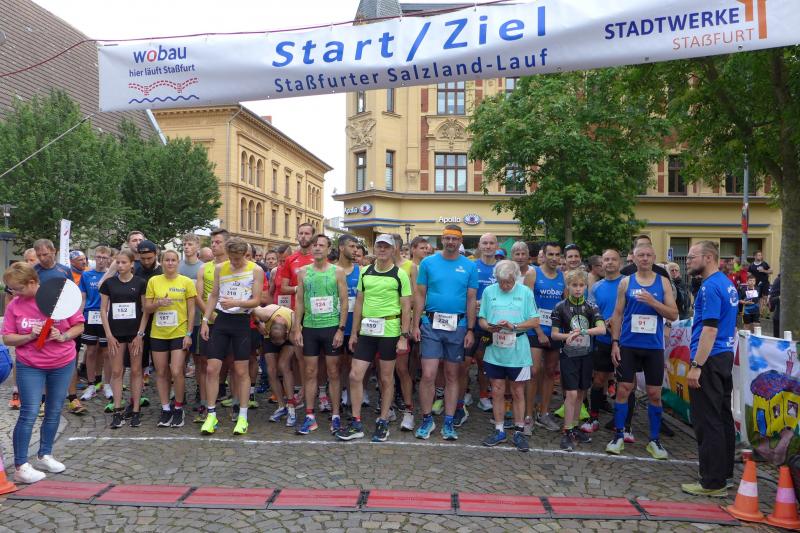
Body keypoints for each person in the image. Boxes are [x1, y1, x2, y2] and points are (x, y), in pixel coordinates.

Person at [2, 263, 84, 483]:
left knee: (54, 410)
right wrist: (29, 336)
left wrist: (63, 336)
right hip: (30, 365)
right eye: (11, 289)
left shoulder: (58, 298)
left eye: (17, 288)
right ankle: (21, 466)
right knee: (29, 412)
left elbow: (79, 326)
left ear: (32, 283)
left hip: (62, 362)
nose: (14, 293)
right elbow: (7, 338)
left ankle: (45, 454)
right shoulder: (15, 306)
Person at [606, 243, 678, 459]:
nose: (645, 258)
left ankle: (654, 440)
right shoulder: (626, 282)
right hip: (628, 344)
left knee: (655, 394)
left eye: (648, 255)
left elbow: (673, 314)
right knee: (623, 389)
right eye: (641, 255)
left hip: (653, 346)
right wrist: (615, 342)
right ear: (634, 259)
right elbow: (617, 314)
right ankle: (619, 435)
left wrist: (653, 302)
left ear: (654, 258)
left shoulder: (663, 282)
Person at [338, 234, 411, 442]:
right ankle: (356, 422)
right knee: (355, 375)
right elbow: (359, 303)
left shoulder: (400, 274)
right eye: (379, 246)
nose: (382, 250)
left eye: (386, 247)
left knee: (386, 378)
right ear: (375, 249)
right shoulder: (365, 271)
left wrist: (403, 336)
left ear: (393, 250)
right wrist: (354, 333)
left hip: (389, 330)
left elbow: (406, 307)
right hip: (367, 331)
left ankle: (383, 421)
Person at [681, 241, 738, 497]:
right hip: (724, 355)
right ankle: (724, 474)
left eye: (692, 257)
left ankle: (712, 482)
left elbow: (710, 329)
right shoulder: (726, 283)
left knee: (708, 420)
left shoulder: (710, 286)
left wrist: (697, 365)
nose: (688, 261)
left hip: (710, 358)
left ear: (708, 257)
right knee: (723, 417)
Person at [412, 225, 477, 441]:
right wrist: (415, 324)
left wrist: (470, 329)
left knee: (451, 374)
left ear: (461, 241)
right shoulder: (428, 263)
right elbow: (420, 295)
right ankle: (427, 419)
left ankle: (449, 421)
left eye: (454, 239)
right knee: (428, 374)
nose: (450, 242)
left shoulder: (469, 266)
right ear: (442, 240)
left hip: (458, 326)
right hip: (431, 324)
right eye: (447, 238)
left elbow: (471, 299)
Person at [200, 238, 263, 436]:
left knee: (241, 370)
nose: (234, 262)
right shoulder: (220, 268)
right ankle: (211, 415)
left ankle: (242, 416)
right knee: (212, 368)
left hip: (241, 322)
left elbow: (256, 300)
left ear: (245, 254)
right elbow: (213, 295)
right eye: (232, 258)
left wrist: (236, 302)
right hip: (222, 321)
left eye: (238, 259)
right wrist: (205, 320)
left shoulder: (255, 270)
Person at [478, 260, 539, 452]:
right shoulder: (489, 291)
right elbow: (482, 318)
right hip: (495, 348)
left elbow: (535, 321)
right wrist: (488, 326)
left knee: (518, 391)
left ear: (515, 278)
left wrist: (515, 326)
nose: (504, 286)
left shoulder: (525, 292)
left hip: (518, 349)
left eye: (508, 282)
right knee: (497, 390)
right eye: (501, 282)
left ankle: (519, 431)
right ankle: (499, 429)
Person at [291, 234, 348, 435]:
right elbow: (299, 301)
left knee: (333, 372)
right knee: (309, 371)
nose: (317, 248)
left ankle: (335, 415)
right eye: (314, 245)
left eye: (321, 245)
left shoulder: (337, 271)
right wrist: (297, 328)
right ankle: (309, 416)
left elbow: (344, 301)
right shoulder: (303, 272)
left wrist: (341, 329)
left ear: (328, 249)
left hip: (331, 327)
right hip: (310, 327)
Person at [551, 269, 606, 451]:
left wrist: (582, 332)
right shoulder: (560, 307)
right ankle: (567, 431)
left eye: (581, 285)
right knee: (572, 393)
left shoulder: (591, 306)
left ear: (586, 287)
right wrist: (568, 336)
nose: (578, 289)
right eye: (574, 285)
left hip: (586, 355)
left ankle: (574, 427)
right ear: (568, 286)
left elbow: (602, 329)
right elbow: (554, 334)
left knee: (582, 392)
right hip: (568, 356)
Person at [144, 250, 197, 429]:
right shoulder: (154, 281)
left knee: (176, 370)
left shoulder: (186, 282)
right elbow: (147, 308)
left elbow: (192, 310)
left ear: (178, 262)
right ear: (162, 262)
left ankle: (179, 407)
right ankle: (166, 408)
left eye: (173, 260)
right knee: (161, 372)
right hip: (158, 333)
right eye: (167, 260)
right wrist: (158, 303)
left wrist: (189, 334)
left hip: (179, 332)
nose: (170, 263)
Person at [32, 239, 85, 415]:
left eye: (45, 254)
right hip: (42, 318)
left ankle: (73, 397)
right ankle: (43, 400)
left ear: (53, 251)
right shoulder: (34, 271)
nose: (42, 258)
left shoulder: (64, 270)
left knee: (70, 358)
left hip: (64, 317)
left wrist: (74, 316)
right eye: (39, 255)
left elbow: (72, 293)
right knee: (43, 360)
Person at [99, 249, 148, 428]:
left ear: (132, 264)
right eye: (118, 262)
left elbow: (145, 310)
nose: (120, 266)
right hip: (116, 334)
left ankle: (135, 410)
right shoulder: (109, 283)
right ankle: (117, 410)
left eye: (124, 262)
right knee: (117, 371)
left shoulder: (140, 282)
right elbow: (103, 310)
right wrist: (109, 335)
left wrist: (140, 334)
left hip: (134, 333)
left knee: (136, 371)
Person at [525, 242, 564, 434]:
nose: (554, 258)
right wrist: (539, 331)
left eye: (557, 254)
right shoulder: (533, 273)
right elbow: (527, 303)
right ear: (544, 255)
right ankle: (527, 415)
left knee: (549, 372)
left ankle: (544, 413)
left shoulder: (563, 277)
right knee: (533, 371)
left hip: (554, 330)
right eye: (550, 254)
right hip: (535, 330)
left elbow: (565, 306)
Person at [584, 249, 624, 433]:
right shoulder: (596, 287)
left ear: (620, 262)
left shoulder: (627, 283)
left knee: (625, 382)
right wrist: (603, 323)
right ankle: (593, 417)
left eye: (613, 259)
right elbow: (591, 311)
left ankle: (622, 421)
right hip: (603, 339)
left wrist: (617, 323)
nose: (609, 262)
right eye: (606, 260)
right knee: (599, 379)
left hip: (625, 340)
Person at [194, 229, 228, 423]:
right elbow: (198, 296)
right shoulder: (204, 268)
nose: (214, 245)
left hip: (231, 321)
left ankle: (236, 404)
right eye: (212, 242)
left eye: (218, 242)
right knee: (206, 364)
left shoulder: (235, 267)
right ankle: (205, 404)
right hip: (209, 322)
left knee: (234, 365)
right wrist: (210, 315)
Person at [78, 247, 113, 410]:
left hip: (106, 316)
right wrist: (79, 317)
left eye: (104, 257)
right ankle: (91, 384)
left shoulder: (112, 275)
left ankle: (107, 384)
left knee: (107, 352)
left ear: (109, 259)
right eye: (98, 257)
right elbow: (83, 298)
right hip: (90, 316)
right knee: (90, 351)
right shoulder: (86, 275)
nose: (101, 260)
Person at [469, 233, 499, 415]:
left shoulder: (501, 267)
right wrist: (474, 303)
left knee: (484, 362)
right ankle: (464, 394)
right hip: (472, 321)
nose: (488, 246)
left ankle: (483, 396)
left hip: (493, 323)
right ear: (479, 246)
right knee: (464, 362)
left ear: (497, 246)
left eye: (491, 243)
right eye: (485, 243)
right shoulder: (471, 266)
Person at [254, 303, 296, 426]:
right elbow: (251, 306)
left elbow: (301, 359)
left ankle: (291, 407)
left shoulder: (293, 325)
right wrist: (258, 323)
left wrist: (303, 391)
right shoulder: (265, 313)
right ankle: (281, 406)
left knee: (283, 366)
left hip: (290, 333)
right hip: (268, 333)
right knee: (271, 370)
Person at [336, 234, 360, 413]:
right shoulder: (331, 270)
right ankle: (337, 400)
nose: (355, 250)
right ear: (341, 247)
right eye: (352, 246)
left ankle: (353, 399)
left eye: (356, 247)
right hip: (335, 325)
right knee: (336, 366)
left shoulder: (361, 271)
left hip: (355, 326)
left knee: (354, 365)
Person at [747, 250, 772, 315]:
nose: (760, 256)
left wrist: (763, 270)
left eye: (761, 255)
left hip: (765, 283)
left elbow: (771, 271)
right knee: (759, 298)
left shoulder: (764, 264)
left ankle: (767, 311)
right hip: (756, 284)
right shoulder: (751, 265)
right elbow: (749, 274)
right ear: (754, 256)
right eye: (758, 255)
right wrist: (750, 278)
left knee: (765, 297)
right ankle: (761, 312)